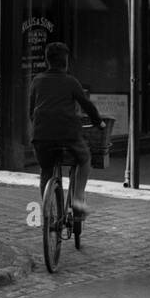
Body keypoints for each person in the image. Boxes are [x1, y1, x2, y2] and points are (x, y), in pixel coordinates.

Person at [29, 42, 104, 218]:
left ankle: (48, 213)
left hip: (41, 135)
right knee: (84, 158)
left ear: (47, 61)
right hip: (68, 134)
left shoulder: (37, 80)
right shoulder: (70, 81)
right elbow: (87, 105)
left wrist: (39, 127)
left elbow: (31, 110)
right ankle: (77, 199)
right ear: (66, 62)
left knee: (46, 170)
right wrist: (98, 122)